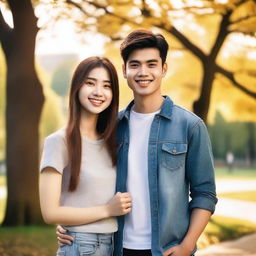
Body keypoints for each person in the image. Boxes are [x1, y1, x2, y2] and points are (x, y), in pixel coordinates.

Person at [57, 30, 218, 256]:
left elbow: (205, 193)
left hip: (168, 250)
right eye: (135, 65)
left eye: (151, 64)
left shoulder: (190, 125)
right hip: (117, 248)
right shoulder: (110, 127)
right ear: (124, 70)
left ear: (164, 69)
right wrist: (69, 223)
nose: (143, 72)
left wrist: (187, 245)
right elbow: (87, 183)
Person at [39, 56, 132, 256]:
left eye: (107, 86)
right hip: (80, 245)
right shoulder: (58, 142)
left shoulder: (113, 142)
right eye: (90, 83)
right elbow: (50, 213)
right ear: (77, 87)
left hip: (113, 244)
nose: (98, 92)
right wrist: (107, 210)